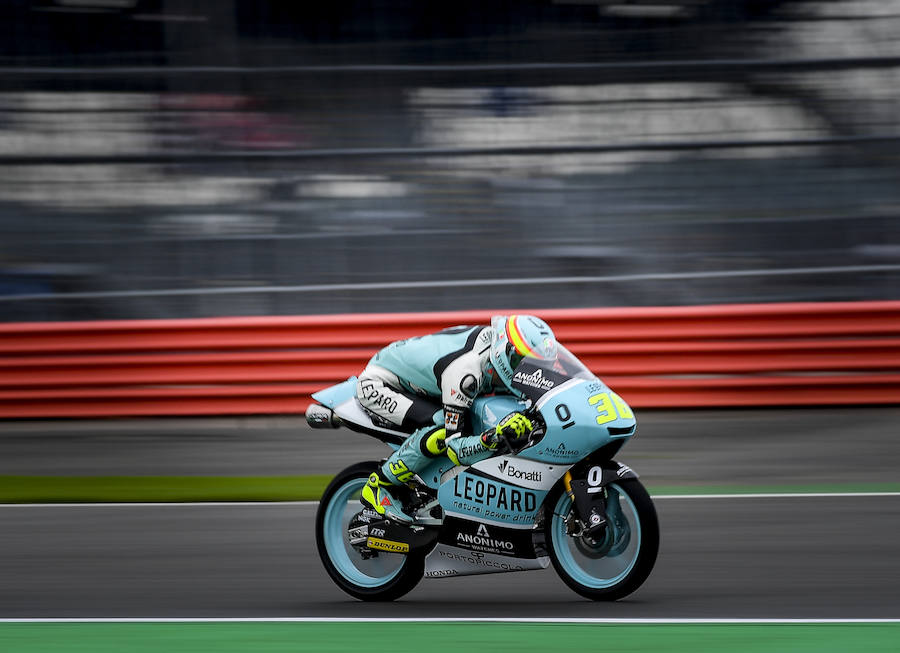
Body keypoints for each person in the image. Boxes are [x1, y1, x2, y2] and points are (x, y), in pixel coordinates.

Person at [357, 314, 558, 523]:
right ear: (505, 352)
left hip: (420, 377)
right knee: (442, 429)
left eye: (539, 366)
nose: (532, 372)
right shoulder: (466, 374)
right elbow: (456, 449)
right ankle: (379, 485)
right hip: (379, 383)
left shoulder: (496, 351)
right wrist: (493, 437)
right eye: (524, 363)